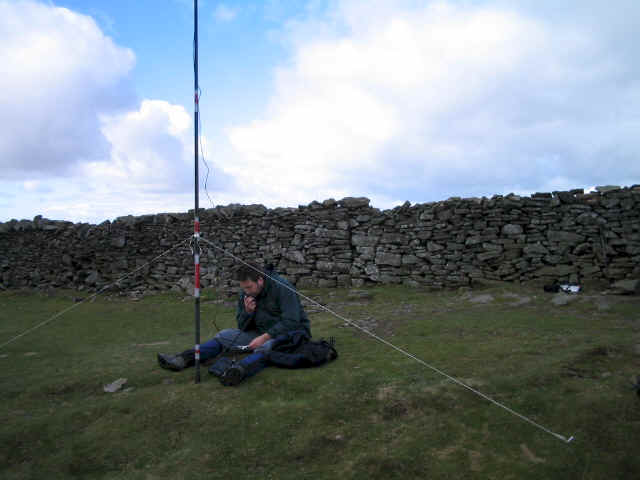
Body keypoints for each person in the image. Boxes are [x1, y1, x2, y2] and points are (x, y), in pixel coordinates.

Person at [157, 263, 311, 383]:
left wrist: (264, 337)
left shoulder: (282, 287)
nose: (247, 291)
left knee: (266, 347)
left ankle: (238, 371)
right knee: (224, 336)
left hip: (291, 335)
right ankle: (183, 359)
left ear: (260, 280)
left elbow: (292, 321)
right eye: (244, 288)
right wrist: (247, 312)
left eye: (249, 287)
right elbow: (241, 326)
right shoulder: (245, 293)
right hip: (259, 333)